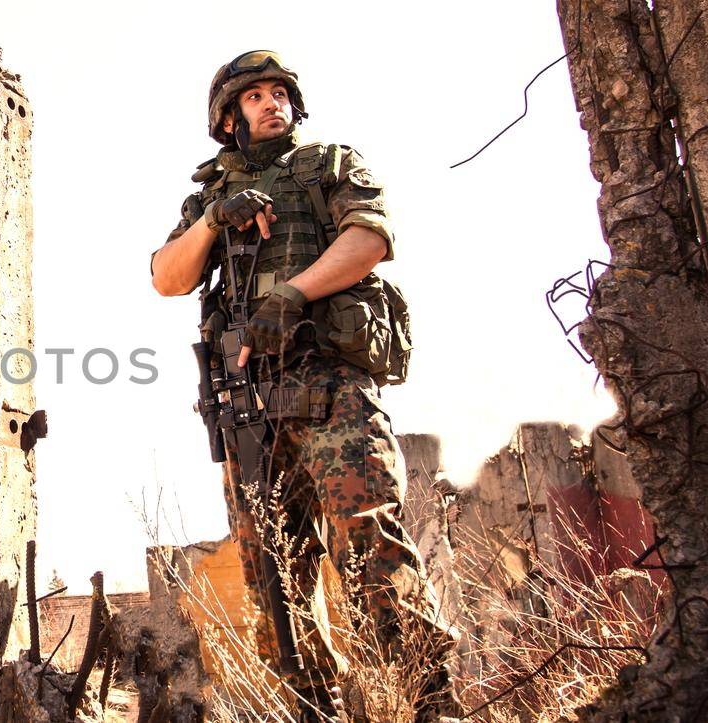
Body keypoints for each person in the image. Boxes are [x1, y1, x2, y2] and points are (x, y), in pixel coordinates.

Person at [150, 50, 458, 721]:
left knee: (369, 545)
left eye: (278, 92)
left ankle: (431, 703)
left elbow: (370, 239)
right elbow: (167, 277)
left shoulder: (328, 166)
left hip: (329, 386)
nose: (270, 103)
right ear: (230, 117)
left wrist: (293, 291)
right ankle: (309, 708)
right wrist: (214, 219)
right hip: (249, 404)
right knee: (273, 576)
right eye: (254, 96)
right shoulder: (210, 193)